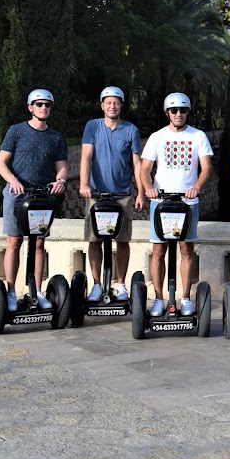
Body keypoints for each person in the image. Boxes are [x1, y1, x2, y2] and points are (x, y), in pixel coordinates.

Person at [139, 92, 213, 317]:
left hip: (187, 202)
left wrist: (197, 187)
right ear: (167, 113)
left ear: (188, 112)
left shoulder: (198, 136)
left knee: (186, 249)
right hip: (161, 202)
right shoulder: (157, 137)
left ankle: (186, 298)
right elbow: (144, 169)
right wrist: (149, 187)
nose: (178, 114)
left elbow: (206, 167)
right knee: (158, 249)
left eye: (183, 110)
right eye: (174, 110)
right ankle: (159, 299)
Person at [0, 89, 68, 311]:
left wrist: (61, 181)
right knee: (14, 242)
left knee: (38, 243)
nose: (43, 108)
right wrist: (13, 181)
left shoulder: (55, 137)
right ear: (30, 107)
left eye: (47, 105)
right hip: (16, 195)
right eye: (39, 104)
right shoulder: (16, 131)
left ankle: (35, 290)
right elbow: (1, 163)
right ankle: (10, 291)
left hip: (41, 197)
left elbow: (62, 168)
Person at [78, 86, 145, 302]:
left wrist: (141, 192)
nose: (112, 105)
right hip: (96, 195)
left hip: (122, 194)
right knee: (94, 239)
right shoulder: (93, 127)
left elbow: (137, 163)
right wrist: (83, 184)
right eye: (108, 102)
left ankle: (121, 283)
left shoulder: (130, 130)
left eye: (116, 102)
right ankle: (97, 285)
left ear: (121, 105)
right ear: (102, 105)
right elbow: (86, 157)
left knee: (123, 240)